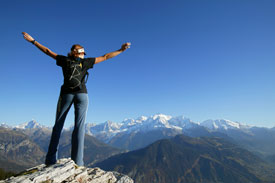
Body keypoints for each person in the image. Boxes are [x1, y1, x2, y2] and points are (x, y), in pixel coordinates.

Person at [22, 32, 130, 166]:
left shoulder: (64, 60)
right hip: (82, 95)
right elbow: (106, 56)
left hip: (66, 94)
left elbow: (47, 51)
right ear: (77, 53)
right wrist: (121, 50)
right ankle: (78, 162)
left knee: (58, 126)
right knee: (79, 128)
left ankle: (50, 161)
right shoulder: (86, 62)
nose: (82, 55)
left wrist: (33, 42)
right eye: (81, 53)